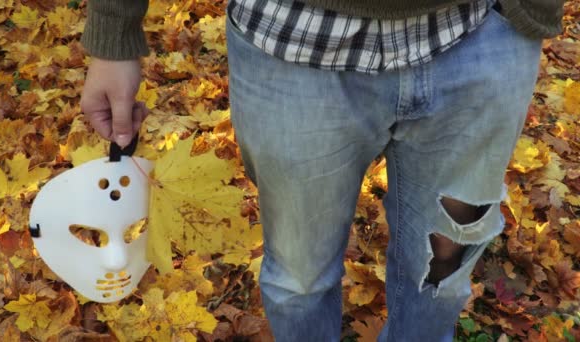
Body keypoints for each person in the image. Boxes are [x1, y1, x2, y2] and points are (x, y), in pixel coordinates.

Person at [80, 0, 564, 340]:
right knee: (299, 280)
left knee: (440, 278)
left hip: (480, 35)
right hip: (291, 43)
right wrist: (113, 31)